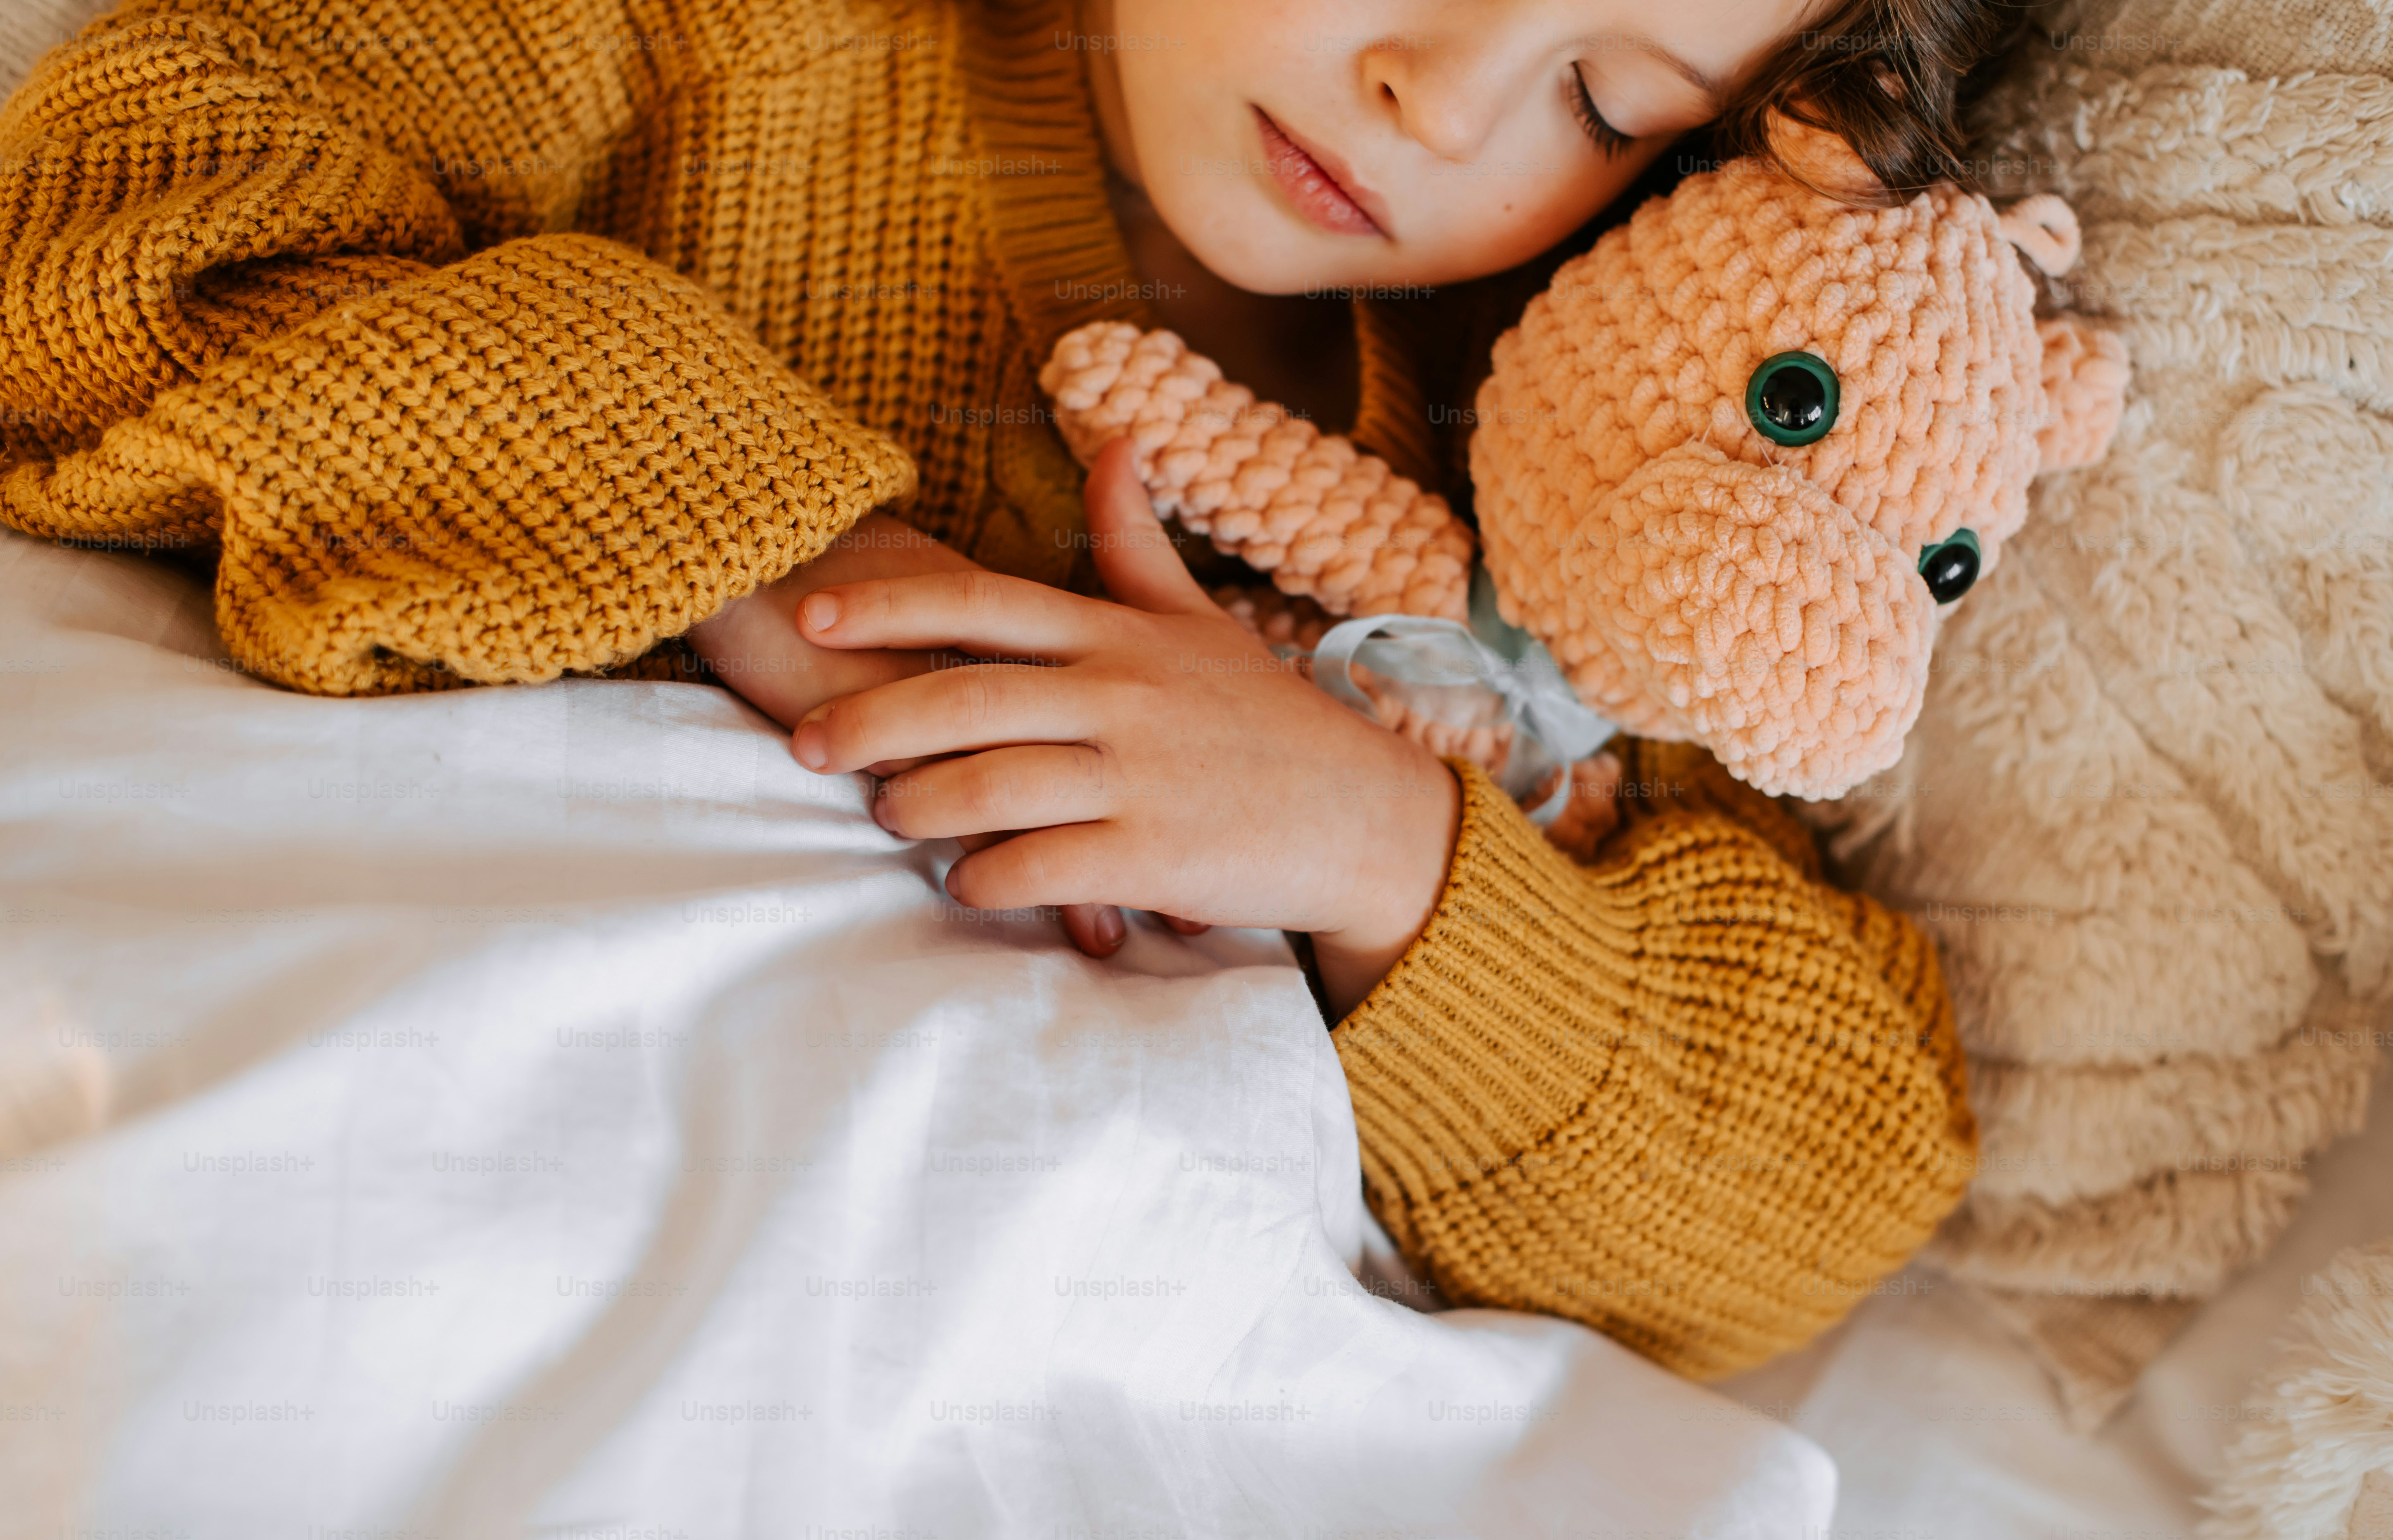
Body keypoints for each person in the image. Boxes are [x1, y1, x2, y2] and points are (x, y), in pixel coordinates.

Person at [0, 0, 2001, 1377]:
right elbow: (115, 218)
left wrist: (1371, 840)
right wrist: (777, 547)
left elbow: (1833, 1171)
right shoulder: (729, 47)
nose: (1441, 98)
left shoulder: (1574, 465)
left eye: (1608, 102)